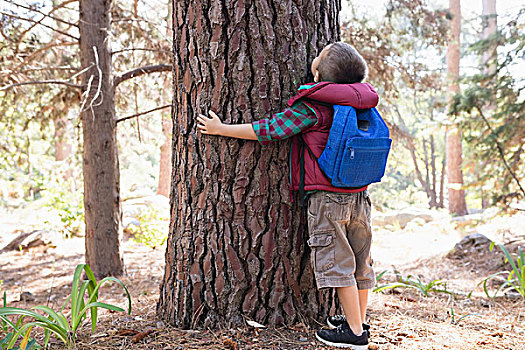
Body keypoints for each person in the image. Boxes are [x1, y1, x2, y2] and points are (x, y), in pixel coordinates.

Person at [197, 42, 378, 349]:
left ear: (318, 73)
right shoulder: (364, 104)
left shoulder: (314, 107)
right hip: (360, 196)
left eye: (318, 57)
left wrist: (222, 128)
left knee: (339, 264)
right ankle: (356, 321)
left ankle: (355, 334)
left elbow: (269, 130)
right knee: (361, 263)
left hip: (328, 199)